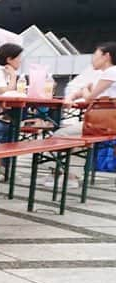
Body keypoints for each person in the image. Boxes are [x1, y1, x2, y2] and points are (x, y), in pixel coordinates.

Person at [48, 42, 116, 187]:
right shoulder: (104, 74)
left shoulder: (111, 72)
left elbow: (89, 97)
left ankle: (69, 176)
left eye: (95, 56)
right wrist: (71, 97)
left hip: (104, 123)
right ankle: (60, 174)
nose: (93, 60)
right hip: (103, 121)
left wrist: (85, 90)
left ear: (106, 56)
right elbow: (85, 91)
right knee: (75, 136)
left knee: (60, 135)